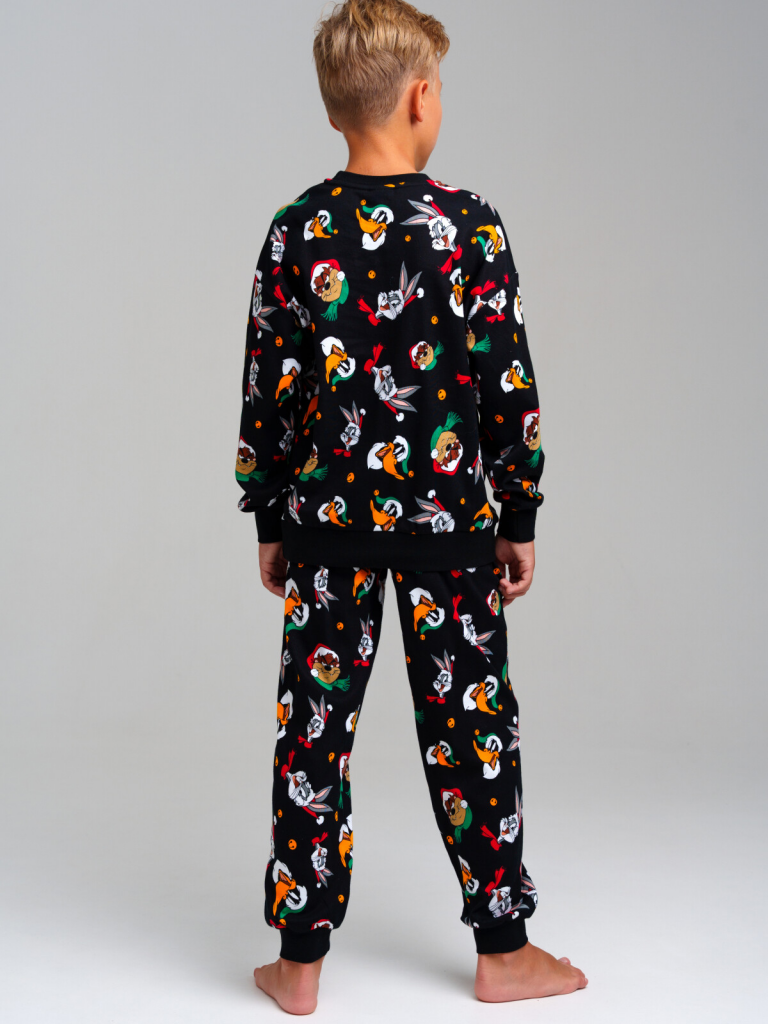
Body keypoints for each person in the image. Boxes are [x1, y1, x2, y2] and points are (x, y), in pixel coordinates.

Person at [236, 0, 587, 1012]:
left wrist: (270, 515)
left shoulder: (296, 229)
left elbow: (269, 385)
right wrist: (518, 513)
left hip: (326, 526)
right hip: (448, 527)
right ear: (423, 97)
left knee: (313, 734)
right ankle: (503, 950)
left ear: (334, 108)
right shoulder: (467, 224)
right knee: (472, 728)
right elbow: (506, 381)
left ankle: (298, 965)